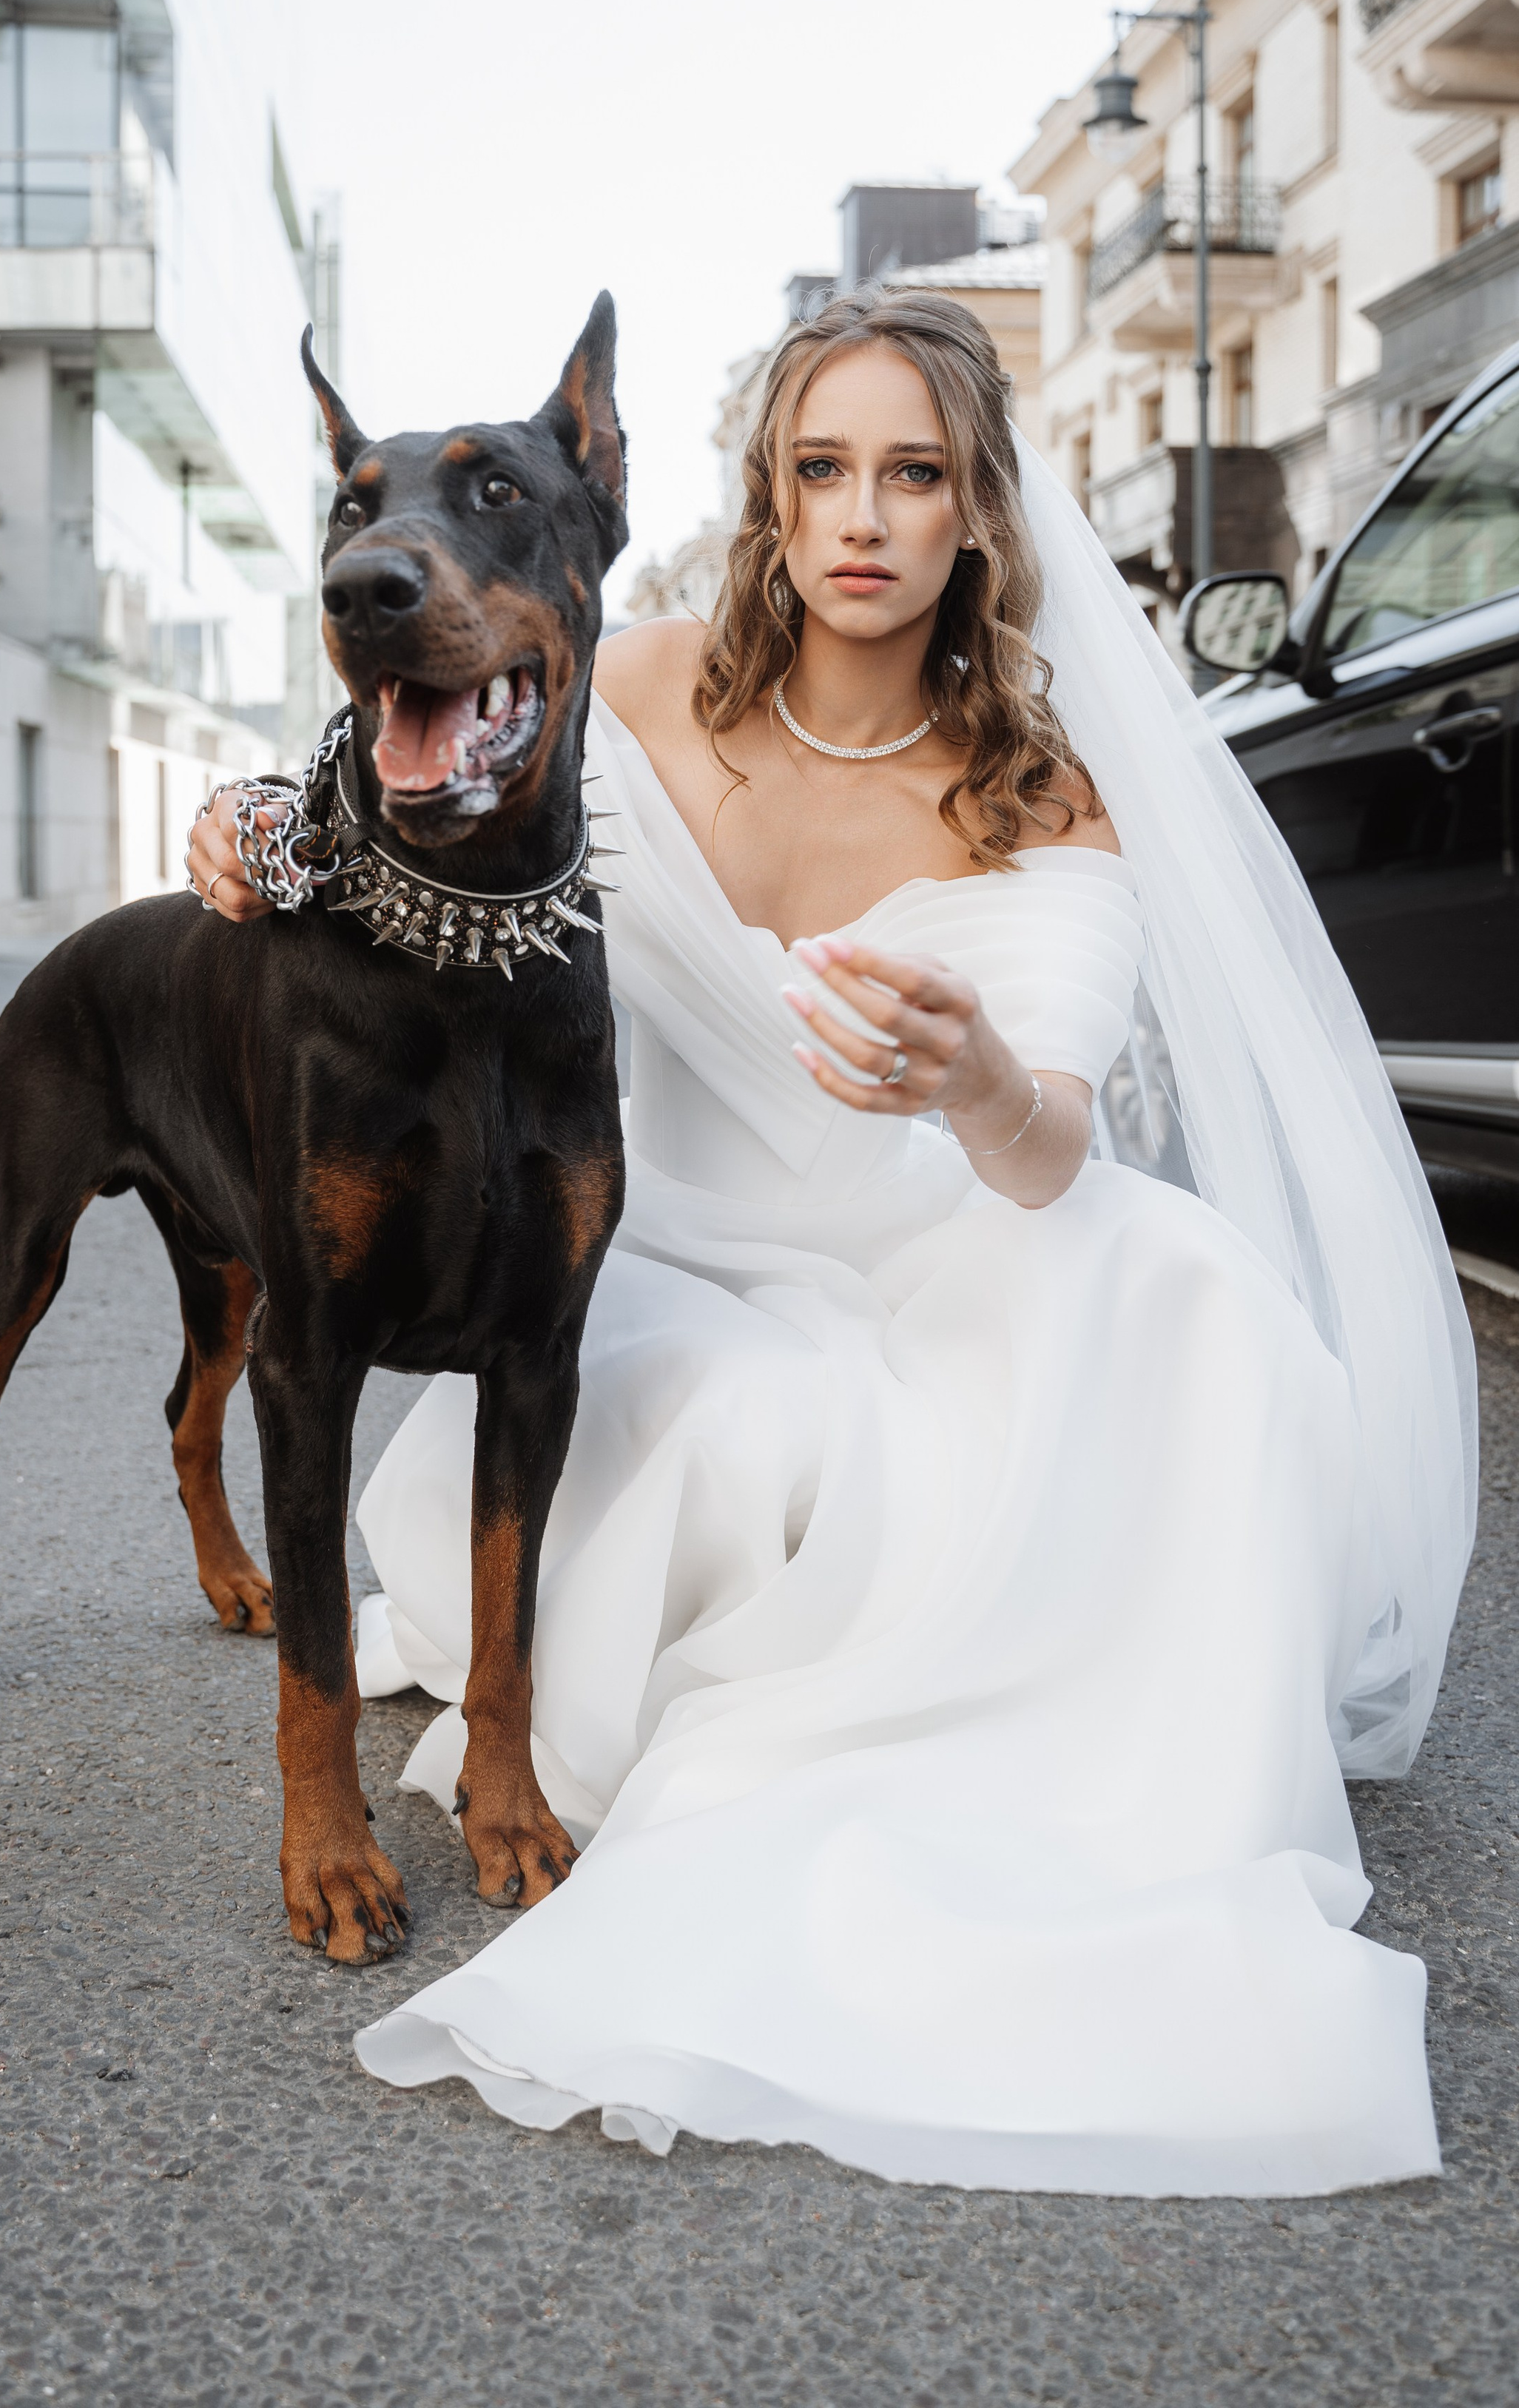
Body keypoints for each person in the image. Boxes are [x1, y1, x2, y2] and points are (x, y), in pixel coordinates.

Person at [186, 289, 1475, 2198]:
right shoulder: (607, 684)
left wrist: (974, 1083)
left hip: (938, 1245)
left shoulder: (1043, 787)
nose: (863, 515)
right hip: (664, 1257)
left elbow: (1049, 1159)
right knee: (726, 1400)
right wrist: (248, 822)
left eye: (914, 473)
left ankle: (1078, 1793)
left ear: (978, 514)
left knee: (1192, 1291)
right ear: (763, 504)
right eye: (820, 471)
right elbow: (380, 808)